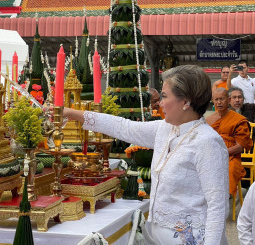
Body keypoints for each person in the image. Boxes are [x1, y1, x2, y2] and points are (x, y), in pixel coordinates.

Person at [59, 65, 229, 244]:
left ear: (186, 102)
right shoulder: (166, 129)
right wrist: (72, 113)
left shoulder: (207, 142)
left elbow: (218, 206)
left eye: (164, 96)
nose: (160, 103)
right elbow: (124, 127)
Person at [206, 88, 253, 196]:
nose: (219, 102)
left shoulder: (238, 119)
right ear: (213, 100)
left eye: (222, 99)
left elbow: (241, 146)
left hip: (231, 157)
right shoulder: (208, 120)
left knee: (230, 169)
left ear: (228, 99)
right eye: (216, 99)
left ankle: (226, 196)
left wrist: (222, 153)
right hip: (211, 155)